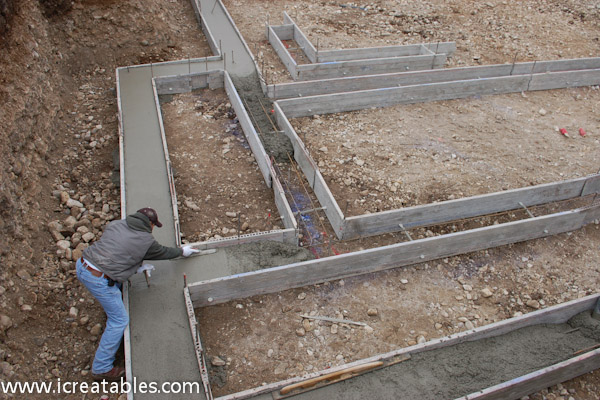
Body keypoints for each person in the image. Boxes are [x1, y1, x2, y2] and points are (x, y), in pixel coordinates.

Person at [76, 207, 199, 381]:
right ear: (149, 224)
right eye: (154, 225)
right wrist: (182, 252)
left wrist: (135, 265)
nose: (153, 229)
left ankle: (113, 300)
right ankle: (101, 368)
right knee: (119, 320)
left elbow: (116, 250)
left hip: (83, 264)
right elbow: (163, 252)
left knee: (115, 293)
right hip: (98, 278)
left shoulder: (116, 224)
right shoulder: (145, 240)